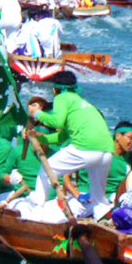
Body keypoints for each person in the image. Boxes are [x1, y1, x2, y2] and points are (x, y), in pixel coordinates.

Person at [26, 72, 114, 221]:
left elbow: (57, 122)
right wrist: (43, 139)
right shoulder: (81, 103)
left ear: (54, 90)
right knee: (99, 198)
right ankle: (106, 225)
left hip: (87, 147)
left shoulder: (62, 97)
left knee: (47, 170)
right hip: (107, 150)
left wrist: (37, 114)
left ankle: (36, 216)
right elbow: (63, 136)